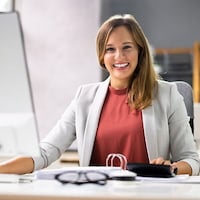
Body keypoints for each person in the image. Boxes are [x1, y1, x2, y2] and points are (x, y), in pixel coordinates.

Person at [0, 14, 199, 175]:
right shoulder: (85, 97)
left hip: (147, 194)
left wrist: (170, 168)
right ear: (102, 57)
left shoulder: (167, 94)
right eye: (110, 49)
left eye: (127, 47)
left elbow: (192, 160)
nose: (119, 56)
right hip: (96, 193)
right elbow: (44, 153)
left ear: (140, 51)